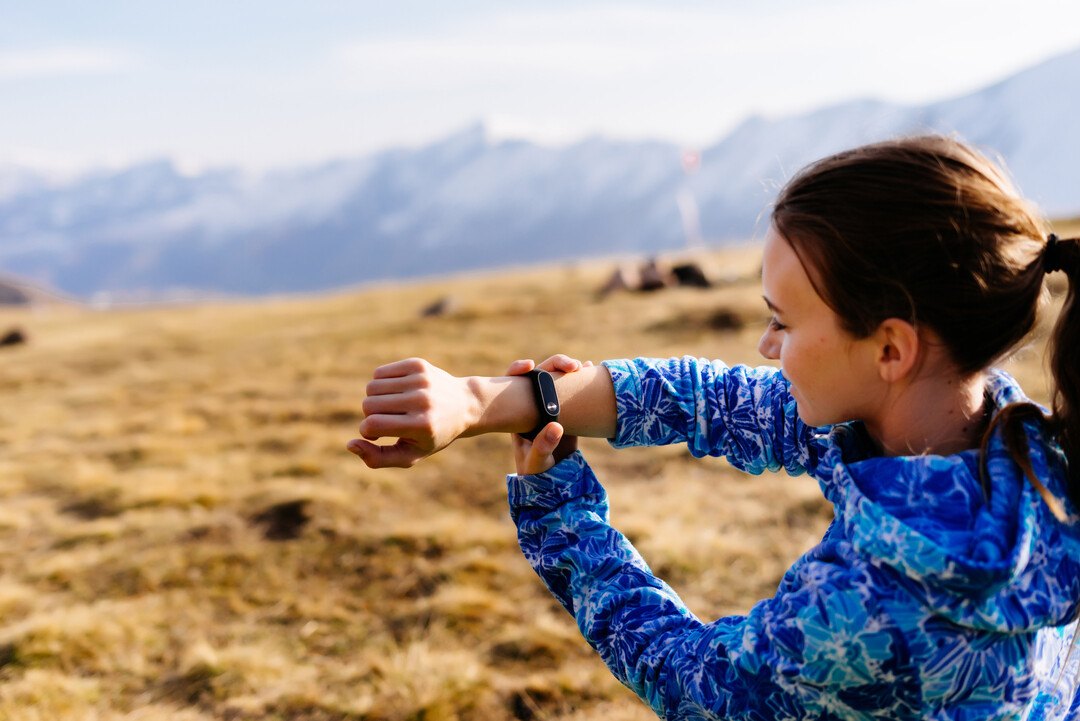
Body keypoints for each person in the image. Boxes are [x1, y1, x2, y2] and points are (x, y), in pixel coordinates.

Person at [347, 134, 1080, 720]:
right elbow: (713, 400)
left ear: (890, 348)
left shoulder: (865, 598)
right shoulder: (1020, 444)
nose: (766, 346)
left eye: (784, 321)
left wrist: (560, 516)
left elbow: (697, 683)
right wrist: (484, 400)